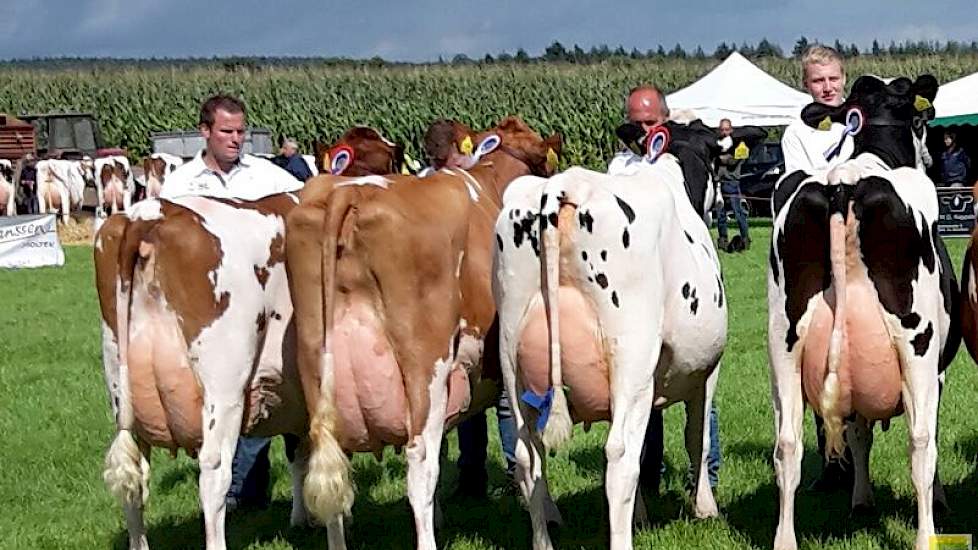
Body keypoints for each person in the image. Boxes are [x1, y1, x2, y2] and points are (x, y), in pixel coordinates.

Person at [160, 94, 302, 511]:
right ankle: (242, 491)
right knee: (221, 391)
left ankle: (248, 493)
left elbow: (307, 214)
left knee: (268, 386)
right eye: (226, 131)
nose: (235, 140)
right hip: (208, 306)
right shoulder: (181, 186)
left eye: (241, 132)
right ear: (205, 132)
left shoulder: (269, 177)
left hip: (269, 304)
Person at [611, 85, 722, 493]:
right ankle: (646, 479)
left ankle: (705, 476)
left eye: (651, 122)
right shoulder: (619, 166)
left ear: (665, 118)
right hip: (635, 293)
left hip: (685, 284)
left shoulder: (682, 161)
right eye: (636, 123)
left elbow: (699, 213)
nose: (644, 131)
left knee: (700, 371)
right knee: (641, 392)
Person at [422, 119, 519, 497]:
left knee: (462, 391)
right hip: (473, 300)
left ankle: (475, 474)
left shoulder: (421, 187)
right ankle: (506, 472)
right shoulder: (468, 189)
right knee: (495, 392)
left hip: (448, 306)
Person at [780, 45, 855, 492]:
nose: (826, 88)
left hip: (865, 247)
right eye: (817, 81)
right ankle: (831, 459)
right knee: (818, 347)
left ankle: (855, 462)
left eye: (832, 79)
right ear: (805, 85)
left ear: (843, 78)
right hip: (819, 250)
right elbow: (800, 189)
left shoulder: (862, 119)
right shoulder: (797, 133)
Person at [713, 118, 752, 251]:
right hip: (719, 183)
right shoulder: (717, 144)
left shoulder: (739, 144)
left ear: (731, 130)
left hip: (732, 182)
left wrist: (721, 155)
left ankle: (745, 238)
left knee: (738, 212)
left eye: (726, 129)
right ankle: (723, 239)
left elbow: (732, 162)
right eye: (722, 129)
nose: (724, 132)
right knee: (721, 214)